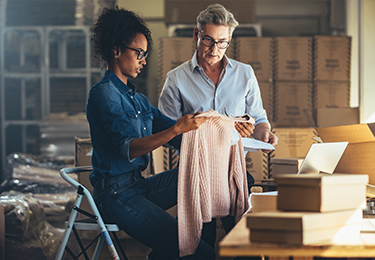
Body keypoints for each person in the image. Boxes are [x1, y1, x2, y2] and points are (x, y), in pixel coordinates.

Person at [86, 6, 214, 260]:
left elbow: (175, 134)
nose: (144, 60)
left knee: (205, 176)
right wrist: (178, 127)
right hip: (116, 195)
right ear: (116, 50)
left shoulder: (138, 100)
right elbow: (130, 149)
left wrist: (212, 128)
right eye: (139, 53)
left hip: (139, 186)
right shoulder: (104, 95)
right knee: (199, 253)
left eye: (145, 54)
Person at [158, 3, 278, 250]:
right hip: (196, 174)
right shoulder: (176, 79)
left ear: (230, 39)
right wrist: (194, 130)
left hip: (234, 173)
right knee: (203, 244)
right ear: (196, 35)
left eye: (222, 42)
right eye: (208, 40)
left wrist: (263, 133)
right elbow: (166, 131)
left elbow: (258, 119)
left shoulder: (244, 74)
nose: (214, 49)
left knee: (245, 241)